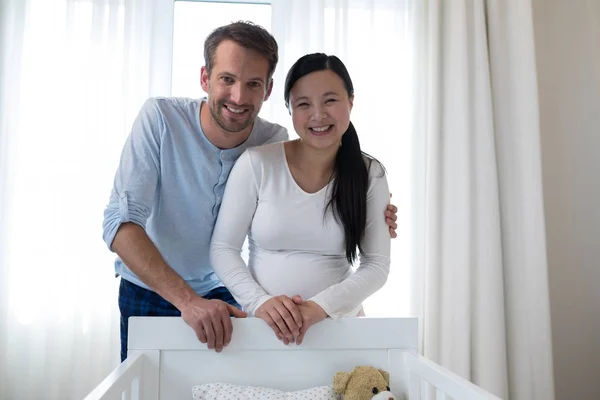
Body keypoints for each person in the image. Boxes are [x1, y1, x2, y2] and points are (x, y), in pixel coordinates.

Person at [102, 21, 398, 362]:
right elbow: (119, 224)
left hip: (225, 293)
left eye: (253, 84)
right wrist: (188, 301)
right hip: (152, 287)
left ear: (268, 90)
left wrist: (372, 214)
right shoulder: (160, 119)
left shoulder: (272, 141)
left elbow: (306, 207)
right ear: (205, 78)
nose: (239, 97)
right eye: (227, 79)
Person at [210, 53, 391, 345]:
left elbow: (377, 265)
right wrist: (260, 302)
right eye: (303, 104)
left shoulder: (371, 174)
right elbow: (223, 248)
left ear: (351, 101)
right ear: (290, 110)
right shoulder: (257, 163)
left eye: (330, 100)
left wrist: (319, 308)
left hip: (340, 330)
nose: (318, 115)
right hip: (262, 331)